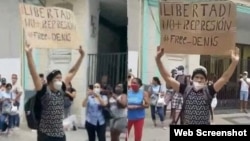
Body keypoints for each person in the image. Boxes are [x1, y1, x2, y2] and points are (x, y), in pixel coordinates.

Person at [155, 46, 239, 125]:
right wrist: (158, 60)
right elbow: (168, 78)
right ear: (192, 79)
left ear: (206, 81)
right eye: (197, 77)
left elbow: (224, 78)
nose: (199, 79)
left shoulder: (209, 91)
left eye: (202, 78)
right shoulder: (185, 89)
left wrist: (234, 63)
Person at [25, 42, 84, 141]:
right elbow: (33, 73)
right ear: (50, 81)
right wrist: (29, 54)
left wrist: (81, 56)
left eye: (60, 78)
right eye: (57, 78)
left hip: (60, 135)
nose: (60, 80)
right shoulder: (44, 91)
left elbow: (71, 72)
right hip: (45, 135)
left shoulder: (61, 90)